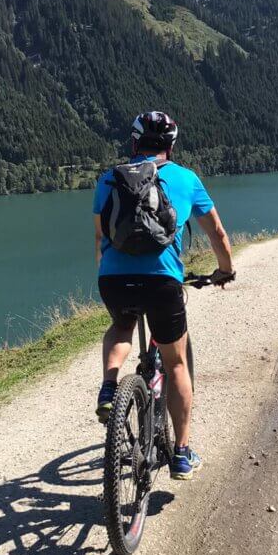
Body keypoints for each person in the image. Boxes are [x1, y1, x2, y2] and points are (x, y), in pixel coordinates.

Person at [92, 111, 235, 481]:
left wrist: (106, 271)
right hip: (161, 283)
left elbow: (99, 236)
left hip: (114, 280)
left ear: (134, 143)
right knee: (175, 365)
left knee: (120, 329)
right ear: (171, 145)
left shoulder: (108, 179)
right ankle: (182, 454)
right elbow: (216, 232)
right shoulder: (186, 179)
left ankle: (110, 388)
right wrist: (225, 269)